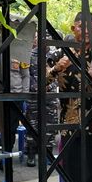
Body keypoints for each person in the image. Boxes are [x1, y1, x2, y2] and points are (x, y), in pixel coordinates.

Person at [47, 12, 92, 182]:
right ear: (74, 29)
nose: (85, 31)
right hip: (68, 117)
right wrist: (55, 69)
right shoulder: (59, 54)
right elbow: (41, 84)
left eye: (90, 27)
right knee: (71, 161)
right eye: (81, 27)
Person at [25, 36, 59, 167]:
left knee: (50, 125)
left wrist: (48, 86)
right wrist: (36, 87)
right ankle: (31, 154)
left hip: (50, 95)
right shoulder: (30, 54)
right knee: (32, 125)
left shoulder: (54, 55)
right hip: (34, 95)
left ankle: (48, 154)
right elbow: (27, 75)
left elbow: (57, 74)